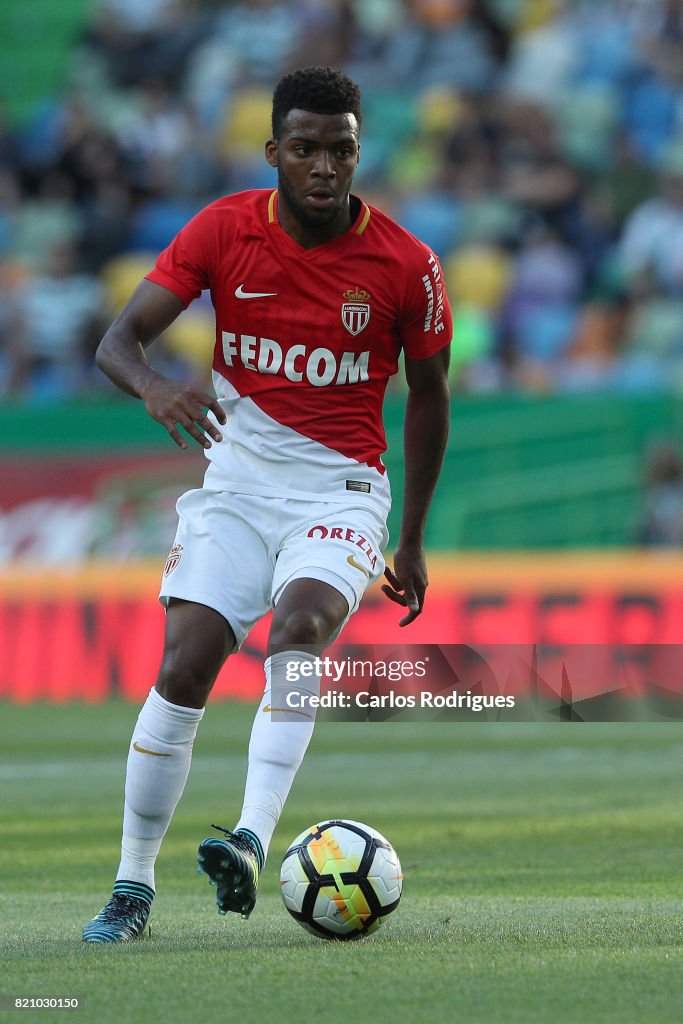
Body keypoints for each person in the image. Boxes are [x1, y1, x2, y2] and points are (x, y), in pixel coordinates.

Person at [82, 66, 451, 943]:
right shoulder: (223, 231)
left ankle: (249, 835)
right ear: (274, 152)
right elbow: (116, 340)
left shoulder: (406, 262)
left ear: (360, 151)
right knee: (183, 668)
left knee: (299, 629)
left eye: (343, 150)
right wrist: (155, 389)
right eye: (307, 149)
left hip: (342, 490)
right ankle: (131, 889)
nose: (325, 167)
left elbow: (430, 398)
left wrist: (412, 539)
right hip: (236, 488)